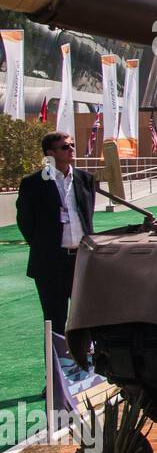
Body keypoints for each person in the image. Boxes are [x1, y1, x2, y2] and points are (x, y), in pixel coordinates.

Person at [16, 131, 96, 336]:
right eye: (65, 147)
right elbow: (26, 223)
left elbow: (87, 218)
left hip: (82, 259)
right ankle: (57, 367)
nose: (71, 150)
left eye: (72, 145)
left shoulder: (85, 179)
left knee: (87, 318)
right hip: (50, 263)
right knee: (55, 320)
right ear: (50, 154)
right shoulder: (33, 183)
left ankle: (86, 365)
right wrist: (46, 246)